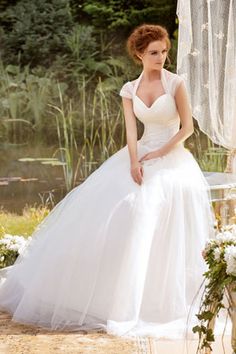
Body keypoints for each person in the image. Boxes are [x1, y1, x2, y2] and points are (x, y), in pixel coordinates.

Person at [0, 24, 215, 339]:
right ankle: (106, 296)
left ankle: (153, 302)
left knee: (147, 207)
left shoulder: (176, 84)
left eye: (164, 51)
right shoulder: (129, 89)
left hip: (172, 158)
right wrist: (133, 161)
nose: (161, 57)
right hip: (138, 154)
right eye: (154, 52)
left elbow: (187, 129)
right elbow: (130, 130)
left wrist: (157, 153)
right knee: (116, 205)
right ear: (139, 54)